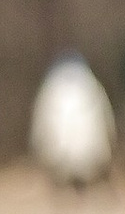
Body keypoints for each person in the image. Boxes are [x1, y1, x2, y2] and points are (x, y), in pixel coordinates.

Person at [29, 54, 117, 192]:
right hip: (87, 155)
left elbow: (40, 126)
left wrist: (39, 148)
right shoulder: (91, 86)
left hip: (64, 156)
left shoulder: (52, 88)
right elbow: (107, 121)